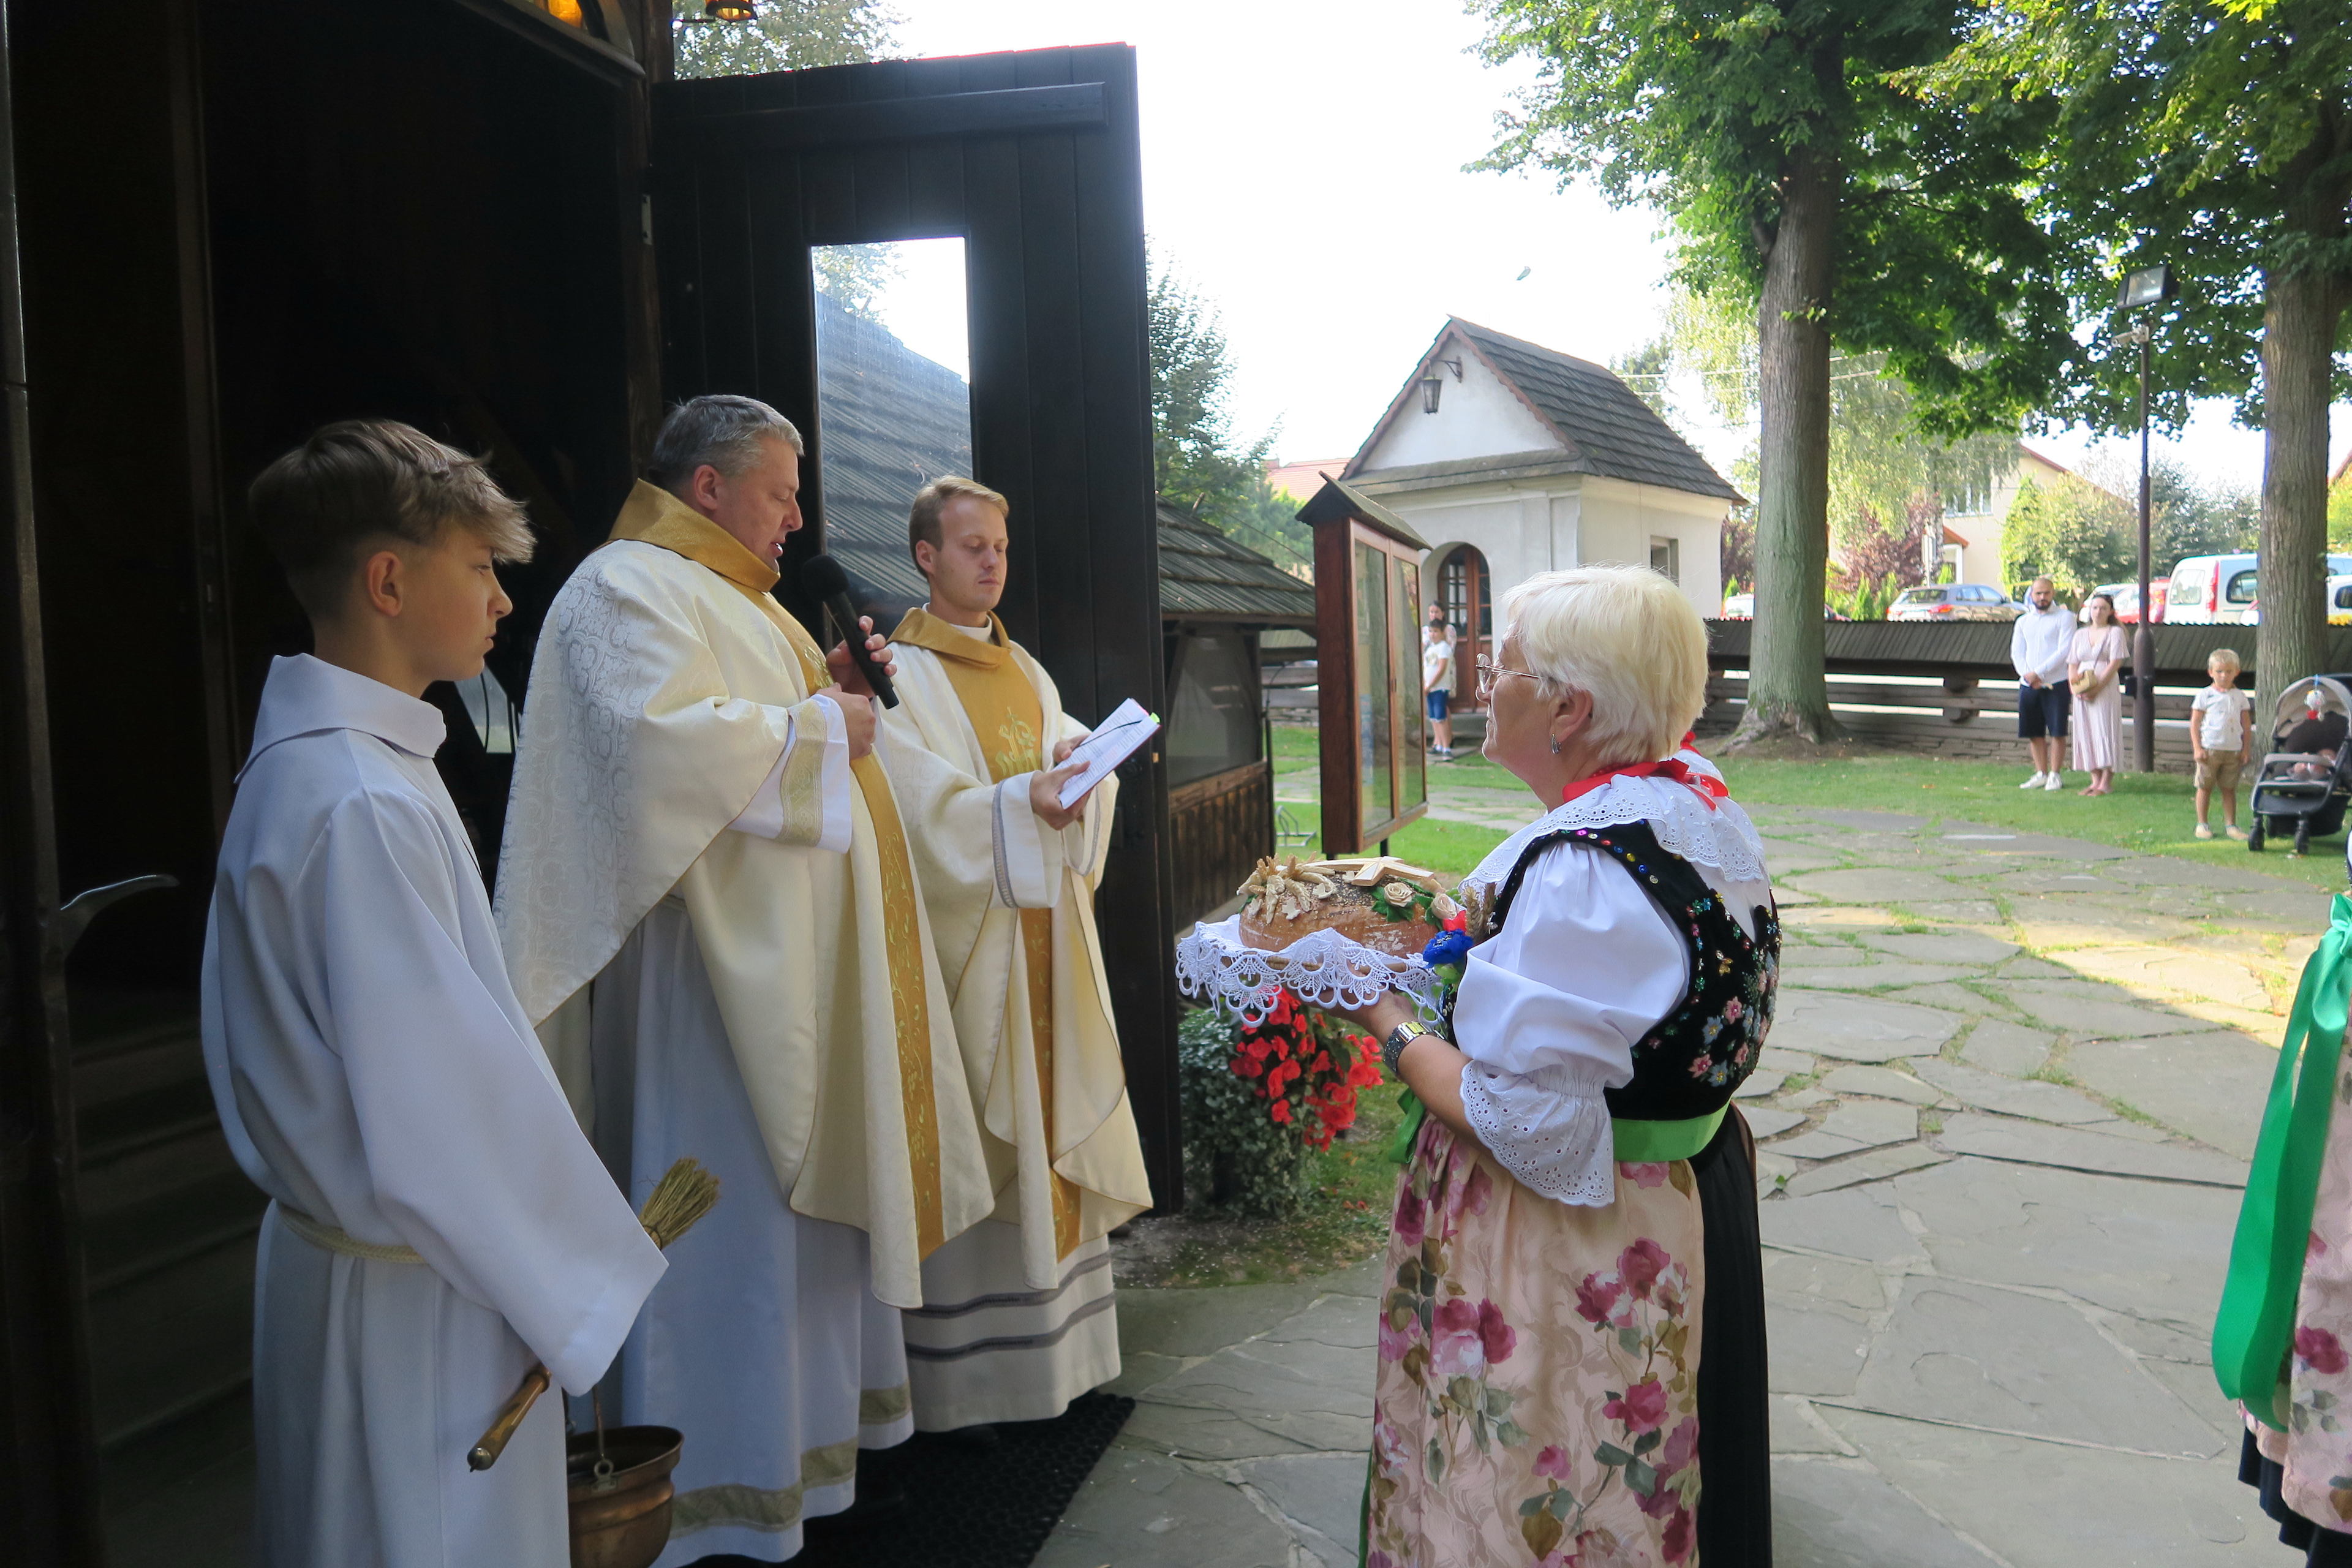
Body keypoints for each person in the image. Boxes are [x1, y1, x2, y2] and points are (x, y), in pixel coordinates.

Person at [496, 396, 993, 1564]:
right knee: (728, 1249)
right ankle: (718, 1491)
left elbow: (777, 726)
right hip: (707, 1004)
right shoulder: (627, 588)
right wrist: (820, 722)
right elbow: (665, 756)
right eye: (781, 490)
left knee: (802, 1256)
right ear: (709, 488)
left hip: (799, 990)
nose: (799, 515)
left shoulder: (738, 600)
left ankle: (817, 1468)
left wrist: (817, 695)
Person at [203, 421, 668, 1566]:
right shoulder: (357, 800)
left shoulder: (335, 766)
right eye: (483, 569)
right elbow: (441, 1111)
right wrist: (574, 1278)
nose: (504, 601)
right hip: (413, 1297)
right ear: (390, 579)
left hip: (370, 1273)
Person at [1338, 564, 1774, 1567]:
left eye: (1506, 668)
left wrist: (1389, 1022)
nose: (1486, 684)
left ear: (1568, 708)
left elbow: (1526, 1118)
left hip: (1579, 1237)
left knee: (1553, 1489)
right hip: (1687, 1195)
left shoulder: (1585, 867)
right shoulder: (1692, 809)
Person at [877, 477, 1153, 1432]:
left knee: (1050, 1145)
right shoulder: (899, 677)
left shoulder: (1025, 669)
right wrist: (1015, 806)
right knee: (989, 1145)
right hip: (975, 956)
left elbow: (1054, 758)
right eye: (970, 547)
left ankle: (1065, 1364)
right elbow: (915, 815)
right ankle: (976, 1384)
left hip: (1047, 945)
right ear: (926, 556)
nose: (991, 561)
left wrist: (1085, 770)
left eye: (999, 545)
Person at [2012, 575, 2074, 790]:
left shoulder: (2065, 618)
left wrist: (2039, 673)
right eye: (2038, 593)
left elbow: (2064, 651)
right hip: (2028, 684)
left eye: (2046, 593)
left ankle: (2055, 774)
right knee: (2033, 731)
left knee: (2057, 730)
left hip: (2056, 682)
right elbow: (2017, 653)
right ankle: (2041, 772)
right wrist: (2027, 675)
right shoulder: (2023, 621)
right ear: (2032, 595)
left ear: (2053, 593)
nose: (2042, 597)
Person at [2068, 592, 2128, 796]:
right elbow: (2073, 663)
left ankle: (2106, 781)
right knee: (2086, 730)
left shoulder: (2114, 633)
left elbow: (2115, 663)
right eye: (2095, 608)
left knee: (2105, 728)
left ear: (2111, 611)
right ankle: (2094, 779)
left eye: (2103, 608)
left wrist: (2097, 687)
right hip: (2083, 685)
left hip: (2105, 685)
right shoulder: (2080, 635)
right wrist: (2074, 685)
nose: (2098, 612)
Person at [2192, 649, 2253, 840]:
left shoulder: (2240, 696)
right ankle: (2202, 824)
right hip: (2210, 749)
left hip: (2233, 750)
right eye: (2219, 671)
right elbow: (2195, 723)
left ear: (2236, 672)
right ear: (2211, 672)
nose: (2224, 676)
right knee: (2205, 787)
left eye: (2228, 671)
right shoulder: (2205, 695)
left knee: (2229, 789)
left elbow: (2247, 725)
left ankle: (2231, 826)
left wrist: (2245, 749)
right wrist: (2197, 748)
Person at [1424, 616, 1457, 760]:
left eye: (1436, 631)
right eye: (1430, 631)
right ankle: (1438, 745)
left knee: (1441, 718)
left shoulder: (1444, 648)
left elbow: (1441, 669)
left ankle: (1446, 747)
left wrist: (1431, 684)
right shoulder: (1430, 648)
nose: (1432, 634)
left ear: (1443, 632)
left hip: (1439, 689)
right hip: (1429, 689)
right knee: (1433, 718)